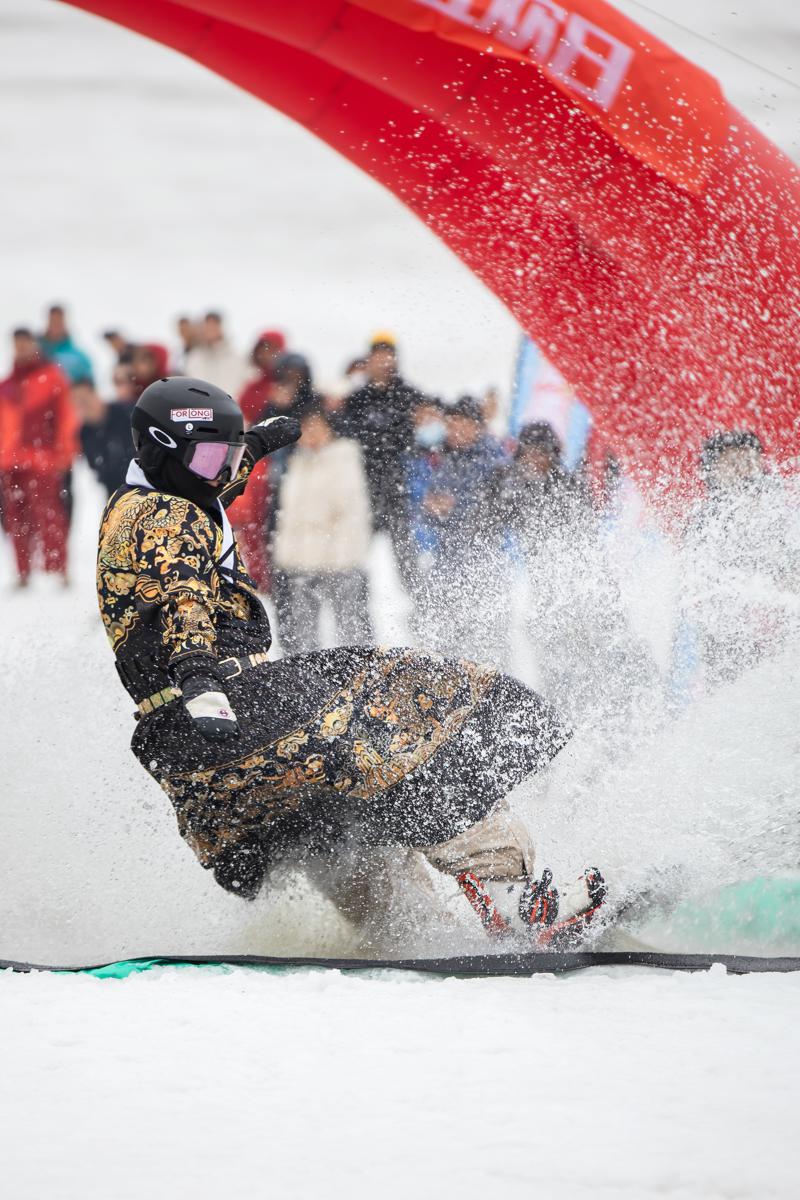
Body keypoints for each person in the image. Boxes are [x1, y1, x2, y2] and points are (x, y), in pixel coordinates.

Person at [95, 377, 605, 945]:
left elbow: (204, 491)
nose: (223, 470)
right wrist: (197, 672)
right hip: (223, 708)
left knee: (326, 816)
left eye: (230, 458)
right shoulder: (168, 517)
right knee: (395, 714)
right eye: (214, 457)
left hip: (192, 757)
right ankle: (512, 899)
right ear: (163, 450)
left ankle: (410, 934)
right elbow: (180, 592)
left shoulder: (145, 502)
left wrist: (256, 444)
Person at [678, 430, 800, 691]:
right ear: (713, 471)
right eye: (731, 463)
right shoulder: (704, 520)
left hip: (780, 616)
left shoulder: (781, 502)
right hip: (730, 629)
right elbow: (699, 581)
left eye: (748, 460)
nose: (742, 470)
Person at [271, 400, 374, 654]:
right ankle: (307, 683)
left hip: (339, 560)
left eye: (317, 427)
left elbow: (351, 513)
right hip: (301, 560)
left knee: (353, 632)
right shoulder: (295, 464)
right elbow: (289, 516)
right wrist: (287, 553)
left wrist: (342, 557)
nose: (312, 435)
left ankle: (360, 677)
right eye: (306, 429)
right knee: (302, 635)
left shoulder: (343, 459)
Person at [336, 334, 424, 604]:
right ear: (369, 361)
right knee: (357, 555)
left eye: (388, 356)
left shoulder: (409, 395)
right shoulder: (358, 398)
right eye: (378, 356)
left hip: (398, 484)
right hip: (364, 485)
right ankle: (355, 608)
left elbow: (429, 421)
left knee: (406, 555)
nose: (384, 362)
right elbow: (338, 424)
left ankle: (416, 605)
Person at [418, 395, 506, 661]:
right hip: (447, 564)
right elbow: (431, 510)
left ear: (477, 427)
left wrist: (456, 506)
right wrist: (432, 509)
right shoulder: (445, 457)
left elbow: (496, 509)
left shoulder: (494, 459)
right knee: (445, 650)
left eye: (462, 425)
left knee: (486, 651)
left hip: (482, 565)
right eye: (451, 424)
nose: (455, 431)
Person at [0, 328, 77, 586]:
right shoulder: (7, 385)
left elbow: (65, 417)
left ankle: (57, 567)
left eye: (25, 344)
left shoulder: (52, 378)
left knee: (49, 514)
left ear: (34, 345)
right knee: (15, 518)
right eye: (17, 344)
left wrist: (64, 452)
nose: (21, 349)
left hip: (42, 458)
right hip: (11, 459)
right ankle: (23, 570)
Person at [226, 330, 288, 593]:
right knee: (253, 520)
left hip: (286, 462)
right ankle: (259, 575)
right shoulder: (252, 389)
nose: (267, 356)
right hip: (261, 460)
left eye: (273, 350)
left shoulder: (293, 384)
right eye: (263, 350)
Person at [73, 366, 138, 497]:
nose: (84, 406)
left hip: (143, 485)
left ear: (95, 394)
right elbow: (96, 467)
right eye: (78, 403)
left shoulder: (125, 413)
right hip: (115, 493)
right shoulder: (84, 433)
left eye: (85, 400)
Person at [184, 311, 249, 395]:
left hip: (231, 405)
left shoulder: (238, 357)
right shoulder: (194, 358)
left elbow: (246, 384)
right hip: (202, 406)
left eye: (214, 327)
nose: (211, 331)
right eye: (208, 327)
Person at [38, 304, 93, 385]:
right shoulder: (35, 353)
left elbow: (88, 387)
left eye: (59, 321)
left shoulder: (79, 358)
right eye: (53, 320)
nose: (56, 325)